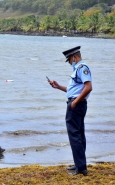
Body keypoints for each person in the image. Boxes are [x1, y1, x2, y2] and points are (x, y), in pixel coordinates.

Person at [48, 46, 92, 175]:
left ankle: (81, 168)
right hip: (76, 103)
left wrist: (75, 102)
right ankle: (79, 164)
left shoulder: (82, 68)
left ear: (74, 57)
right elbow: (75, 90)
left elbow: (88, 87)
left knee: (75, 135)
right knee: (78, 134)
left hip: (76, 104)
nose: (68, 62)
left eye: (68, 60)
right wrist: (58, 87)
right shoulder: (77, 68)